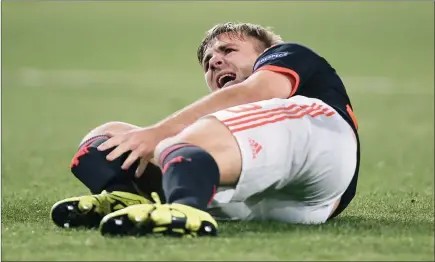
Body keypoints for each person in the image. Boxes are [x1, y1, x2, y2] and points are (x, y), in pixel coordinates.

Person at [50, 22, 360, 238]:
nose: (214, 61)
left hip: (322, 157)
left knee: (182, 143)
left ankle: (185, 210)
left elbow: (256, 93)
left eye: (228, 50)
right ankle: (132, 198)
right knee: (105, 138)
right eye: (209, 61)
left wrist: (159, 134)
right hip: (256, 203)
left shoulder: (289, 54)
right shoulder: (222, 120)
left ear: (265, 53)